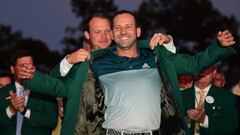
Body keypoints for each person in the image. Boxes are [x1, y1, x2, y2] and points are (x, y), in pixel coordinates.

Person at [21, 10, 238, 135]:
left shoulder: (157, 58)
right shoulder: (96, 64)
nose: (123, 31)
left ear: (138, 31)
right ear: (113, 35)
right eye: (117, 28)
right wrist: (32, 77)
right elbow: (62, 87)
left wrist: (219, 47)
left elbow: (194, 64)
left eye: (128, 26)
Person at [0, 49, 58, 135]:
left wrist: (24, 111)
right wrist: (11, 109)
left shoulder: (46, 91)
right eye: (22, 66)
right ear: (12, 69)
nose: (27, 69)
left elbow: (51, 121)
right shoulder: (3, 92)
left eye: (30, 65)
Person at [181, 66, 238, 135]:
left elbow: (231, 127)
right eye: (200, 66)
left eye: (206, 68)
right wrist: (187, 121)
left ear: (214, 72)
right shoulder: (181, 95)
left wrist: (204, 120)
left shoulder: (225, 96)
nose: (202, 71)